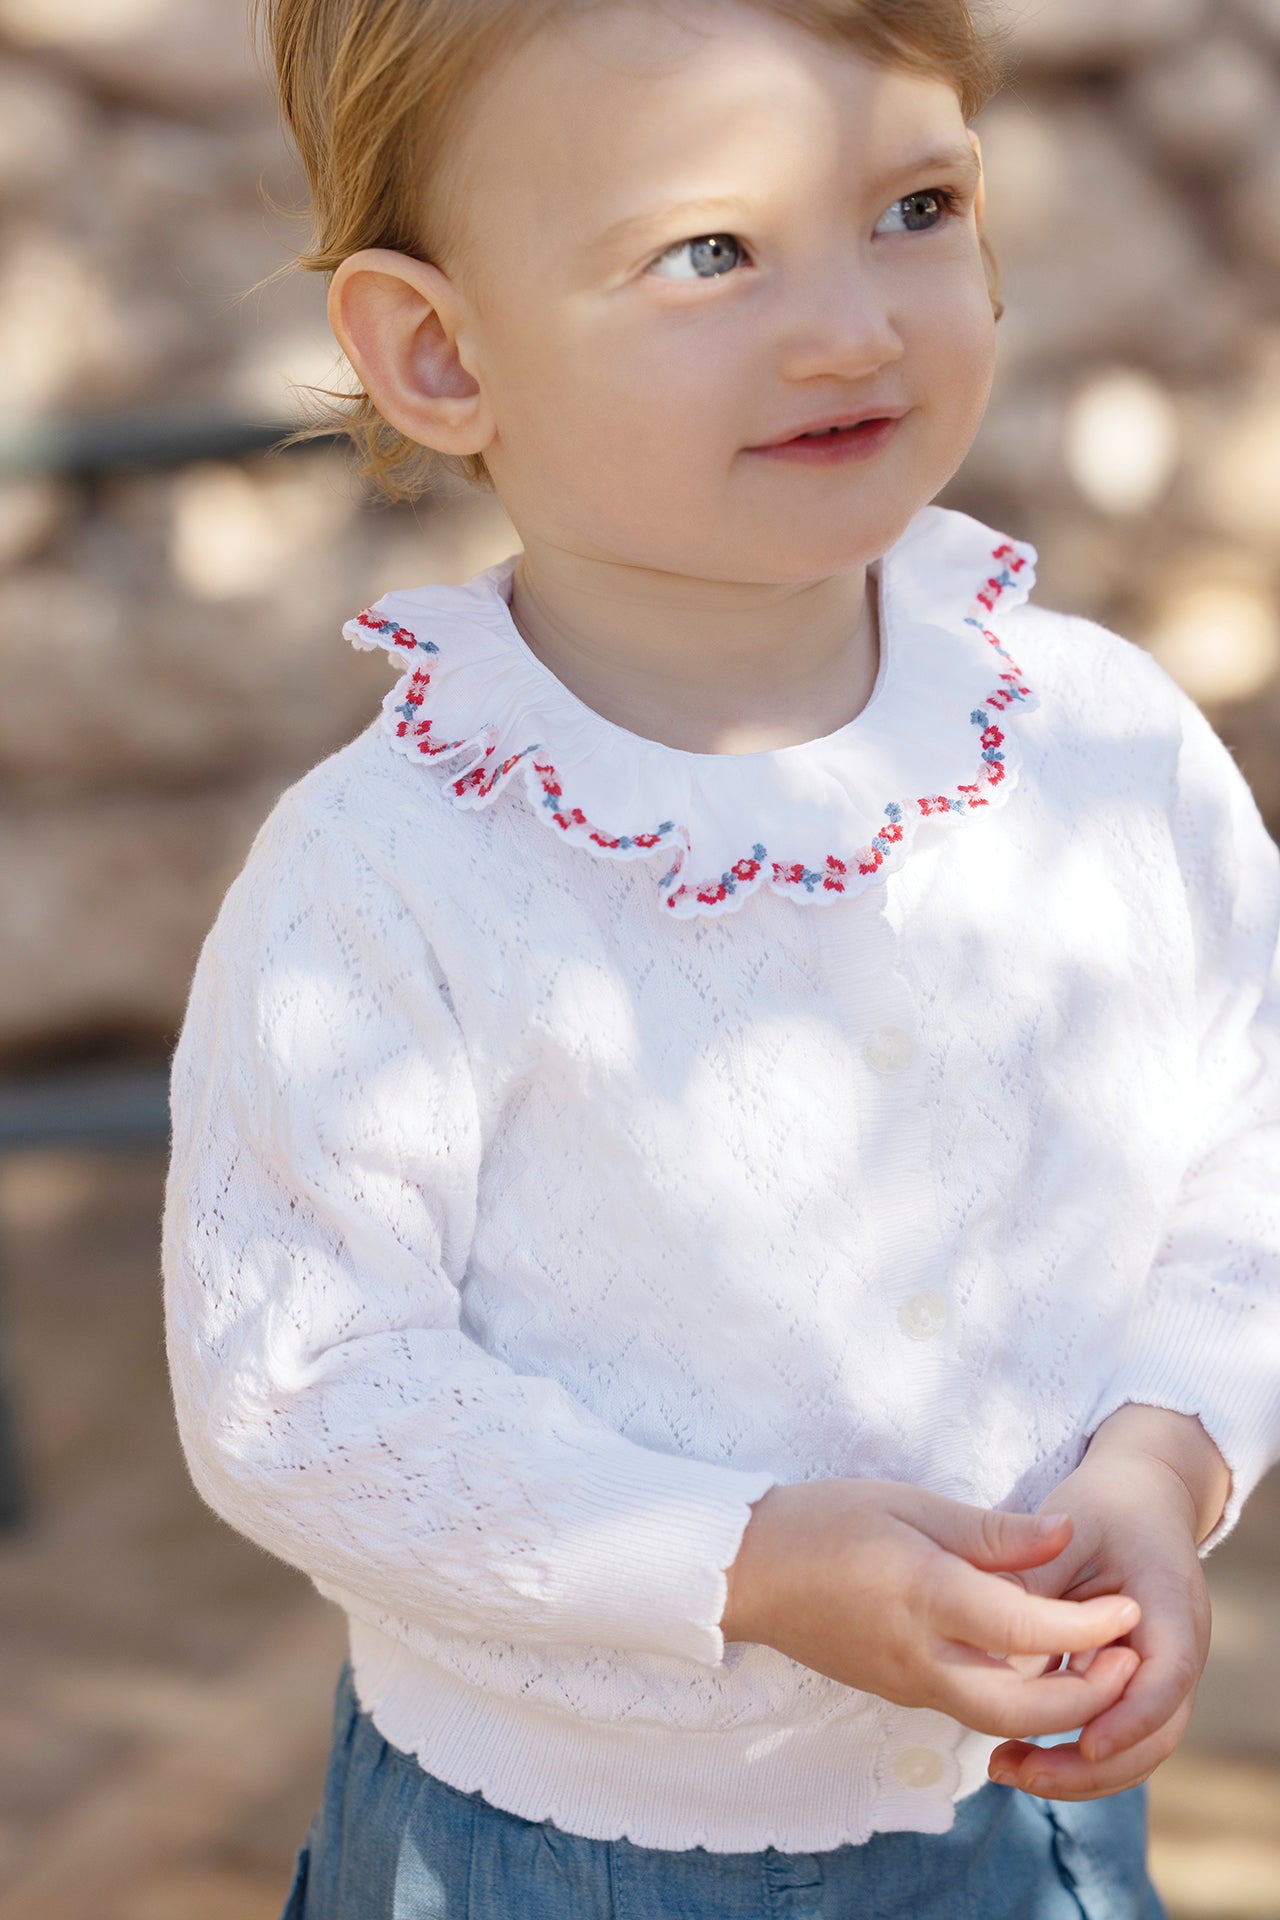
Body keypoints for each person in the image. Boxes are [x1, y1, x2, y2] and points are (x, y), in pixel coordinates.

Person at [161, 2, 1280, 1915]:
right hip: (558, 1854)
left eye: (915, 207)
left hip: (1032, 1815)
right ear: (440, 353)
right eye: (709, 251)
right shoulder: (389, 876)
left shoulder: (1105, 749)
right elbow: (304, 1387)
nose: (852, 327)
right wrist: (745, 1562)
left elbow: (1243, 1145)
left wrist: (1157, 1471)